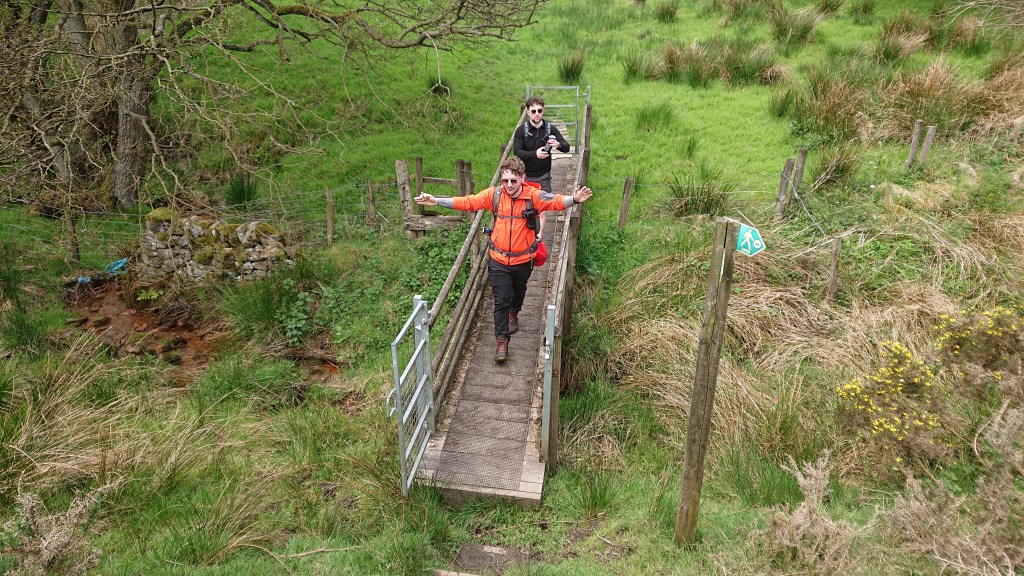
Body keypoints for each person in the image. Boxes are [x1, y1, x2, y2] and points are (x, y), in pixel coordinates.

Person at [414, 156, 592, 362]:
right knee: (501, 300)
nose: (509, 185)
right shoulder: (495, 195)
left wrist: (575, 199)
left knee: (519, 291)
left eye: (513, 181)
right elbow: (469, 202)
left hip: (523, 260)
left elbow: (556, 201)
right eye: (505, 180)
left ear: (523, 178)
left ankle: (514, 312)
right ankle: (501, 341)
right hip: (498, 259)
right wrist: (437, 201)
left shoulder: (533, 196)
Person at [513, 97, 570, 263]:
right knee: (523, 207)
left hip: (543, 175)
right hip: (526, 176)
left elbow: (566, 147)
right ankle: (523, 235)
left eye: (540, 111)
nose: (537, 114)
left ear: (543, 110)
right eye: (533, 111)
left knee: (541, 208)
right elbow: (517, 152)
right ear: (528, 111)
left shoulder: (550, 129)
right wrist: (535, 154)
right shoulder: (521, 131)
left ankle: (538, 238)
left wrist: (557, 145)